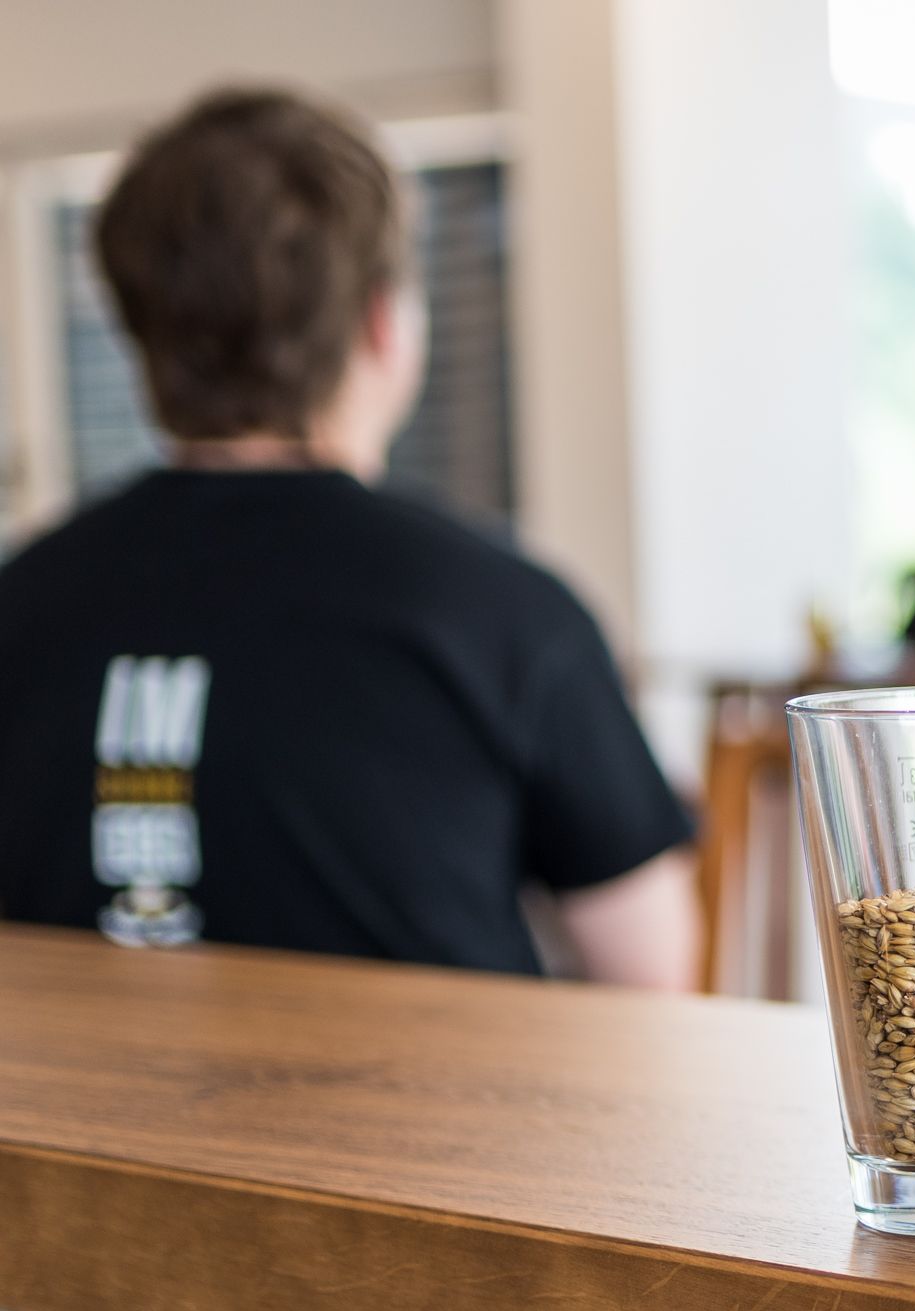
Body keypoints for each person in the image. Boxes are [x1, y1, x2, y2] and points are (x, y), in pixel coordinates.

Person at [0, 88, 695, 986]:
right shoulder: (508, 615)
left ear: (141, 333)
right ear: (381, 321)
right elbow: (648, 975)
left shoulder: (17, 603)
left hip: (58, 1128)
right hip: (440, 1125)